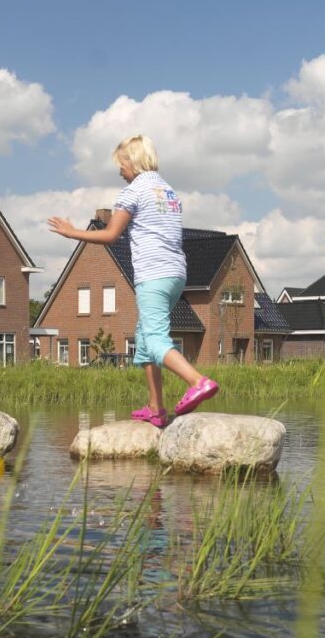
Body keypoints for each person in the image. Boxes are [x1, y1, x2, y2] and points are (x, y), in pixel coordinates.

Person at [45, 134, 218, 427]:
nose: (119, 170)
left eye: (121, 163)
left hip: (152, 274)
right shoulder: (168, 191)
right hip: (176, 273)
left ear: (134, 161)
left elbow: (111, 235)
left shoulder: (133, 191)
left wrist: (72, 232)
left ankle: (198, 381)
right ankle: (156, 408)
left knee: (154, 338)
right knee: (143, 337)